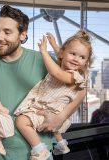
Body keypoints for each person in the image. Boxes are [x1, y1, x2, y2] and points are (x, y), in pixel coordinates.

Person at [0, 5, 87, 160]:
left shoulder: (44, 62)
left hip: (39, 155)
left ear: (22, 35)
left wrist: (61, 116)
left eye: (7, 32)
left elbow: (80, 89)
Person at [14, 30, 93, 159]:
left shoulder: (74, 76)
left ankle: (40, 150)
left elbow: (56, 73)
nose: (76, 59)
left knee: (21, 121)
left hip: (50, 111)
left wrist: (44, 52)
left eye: (82, 57)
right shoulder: (64, 65)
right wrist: (54, 44)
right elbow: (61, 55)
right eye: (73, 54)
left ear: (86, 62)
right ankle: (61, 143)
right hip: (50, 107)